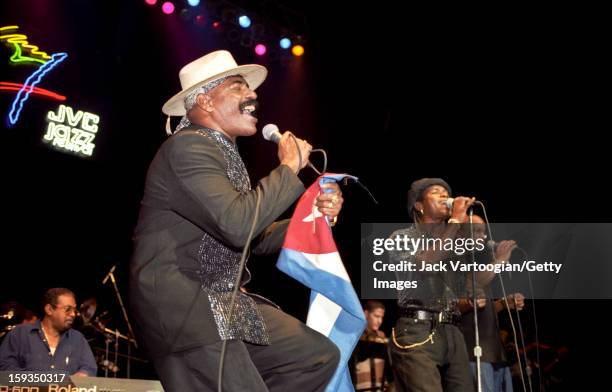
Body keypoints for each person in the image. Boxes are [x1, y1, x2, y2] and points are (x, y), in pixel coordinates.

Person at [129, 50, 343, 392]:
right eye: (237, 86)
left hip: (225, 303)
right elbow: (238, 224)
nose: (253, 94)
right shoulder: (187, 148)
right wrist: (287, 169)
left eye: (250, 88)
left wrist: (315, 216)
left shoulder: (221, 154)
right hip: (187, 308)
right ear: (206, 102)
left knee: (315, 356)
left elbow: (254, 237)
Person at [388, 178, 477, 392]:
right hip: (417, 329)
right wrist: (454, 222)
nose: (444, 195)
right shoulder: (401, 237)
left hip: (453, 330)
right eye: (436, 192)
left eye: (446, 192)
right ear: (419, 206)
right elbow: (425, 264)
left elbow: (461, 293)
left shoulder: (455, 245)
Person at [458, 215, 522, 392]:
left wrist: (503, 303)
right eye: (477, 231)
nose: (483, 236)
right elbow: (471, 285)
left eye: (484, 232)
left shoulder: (479, 261)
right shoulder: (455, 258)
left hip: (493, 349)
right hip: (473, 350)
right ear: (460, 233)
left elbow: (483, 306)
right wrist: (499, 261)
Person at [0, 288, 97, 376]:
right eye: (68, 309)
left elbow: (89, 368)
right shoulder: (19, 334)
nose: (73, 314)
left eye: (74, 310)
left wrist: (82, 375)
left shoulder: (78, 339)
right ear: (49, 309)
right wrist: (39, 382)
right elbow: (5, 367)